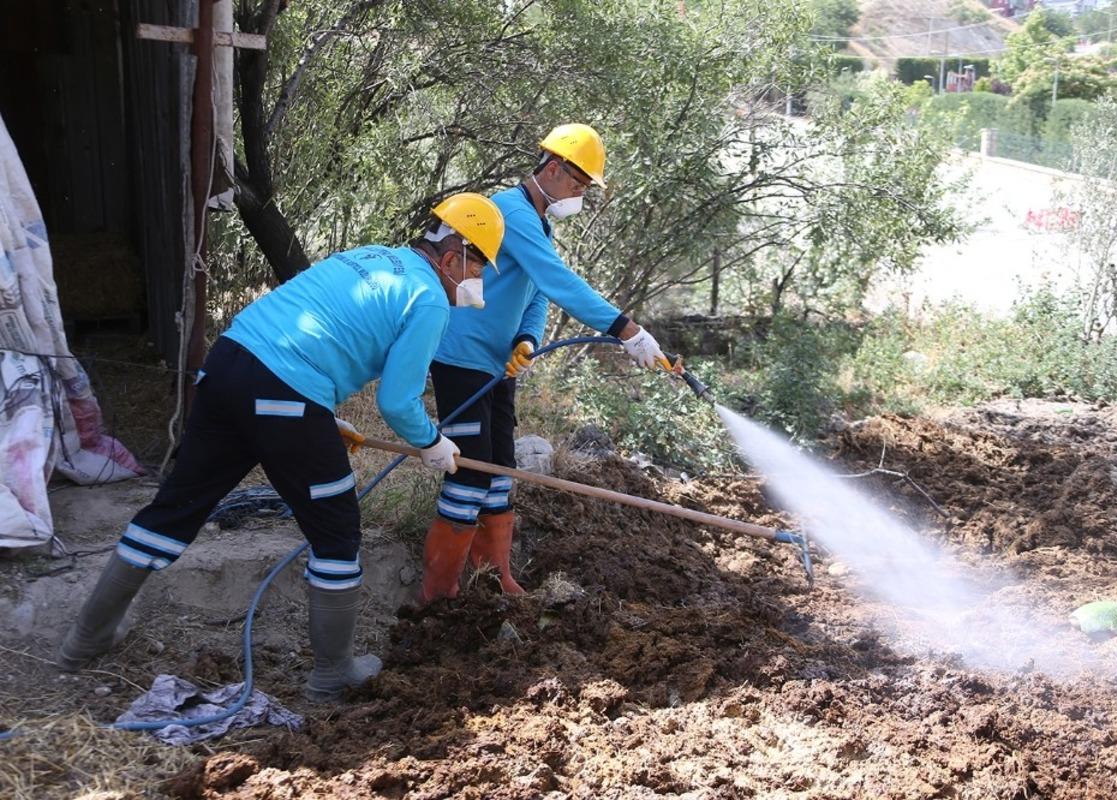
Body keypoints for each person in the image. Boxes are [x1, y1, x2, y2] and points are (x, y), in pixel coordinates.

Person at [58, 193, 505, 701]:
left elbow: (316, 332)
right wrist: (432, 443)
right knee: (336, 532)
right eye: (478, 266)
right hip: (285, 396)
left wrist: (320, 414)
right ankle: (333, 673)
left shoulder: (372, 256)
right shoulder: (428, 300)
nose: (478, 280)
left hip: (229, 366)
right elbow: (398, 402)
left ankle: (85, 638)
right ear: (452, 254)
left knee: (176, 506)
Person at [418, 123, 667, 604]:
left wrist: (527, 339)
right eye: (578, 183)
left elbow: (536, 294)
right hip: (462, 358)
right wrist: (626, 330)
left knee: (501, 468)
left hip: (497, 364)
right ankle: (439, 590)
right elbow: (558, 281)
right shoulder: (511, 212)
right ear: (552, 169)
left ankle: (494, 576)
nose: (580, 194)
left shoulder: (540, 224)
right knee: (470, 469)